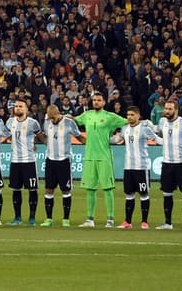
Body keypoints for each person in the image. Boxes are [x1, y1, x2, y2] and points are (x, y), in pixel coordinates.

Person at [74, 91, 127, 228]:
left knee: (107, 189)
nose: (96, 102)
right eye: (94, 100)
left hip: (104, 157)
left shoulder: (110, 117)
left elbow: (128, 122)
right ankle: (90, 220)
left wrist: (119, 138)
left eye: (99, 100)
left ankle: (110, 219)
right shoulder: (87, 115)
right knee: (90, 189)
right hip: (90, 157)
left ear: (104, 102)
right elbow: (74, 119)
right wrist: (60, 116)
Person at [155, 98, 182, 230]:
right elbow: (156, 131)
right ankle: (168, 223)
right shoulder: (162, 122)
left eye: (169, 109)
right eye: (166, 109)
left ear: (176, 110)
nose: (167, 111)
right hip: (167, 163)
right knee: (167, 193)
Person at [117, 106, 158, 229]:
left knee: (144, 194)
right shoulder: (124, 129)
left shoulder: (144, 129)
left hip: (141, 167)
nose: (129, 117)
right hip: (128, 167)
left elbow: (157, 139)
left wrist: (169, 142)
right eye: (128, 115)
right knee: (129, 194)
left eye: (132, 115)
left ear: (138, 116)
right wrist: (102, 139)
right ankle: (127, 222)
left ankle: (144, 222)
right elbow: (116, 139)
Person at [40, 104, 80, 227]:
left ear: (58, 113)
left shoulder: (69, 123)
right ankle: (49, 219)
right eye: (50, 118)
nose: (52, 120)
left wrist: (90, 144)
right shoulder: (47, 123)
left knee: (65, 190)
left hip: (64, 161)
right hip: (50, 160)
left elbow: (78, 136)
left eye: (53, 118)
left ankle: (66, 219)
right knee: (48, 189)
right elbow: (45, 137)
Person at [5, 99, 42, 226]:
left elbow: (41, 137)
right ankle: (17, 217)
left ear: (26, 109)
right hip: (15, 161)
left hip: (29, 161)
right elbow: (8, 136)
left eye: (21, 106)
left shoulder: (33, 123)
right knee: (16, 189)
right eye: (16, 106)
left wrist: (34, 143)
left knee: (32, 190)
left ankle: (32, 218)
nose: (18, 108)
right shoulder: (10, 122)